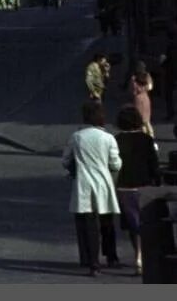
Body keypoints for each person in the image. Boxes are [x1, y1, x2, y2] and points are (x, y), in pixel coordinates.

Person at [62, 100, 122, 275]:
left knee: (89, 224)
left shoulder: (76, 137)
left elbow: (66, 160)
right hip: (103, 184)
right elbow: (116, 164)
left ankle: (92, 261)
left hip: (84, 184)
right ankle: (111, 256)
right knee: (106, 222)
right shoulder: (108, 138)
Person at [114, 104, 160, 276]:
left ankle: (138, 255)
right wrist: (157, 182)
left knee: (132, 225)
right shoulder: (147, 140)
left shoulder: (116, 139)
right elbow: (153, 165)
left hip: (124, 186)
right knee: (146, 222)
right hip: (144, 185)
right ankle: (146, 256)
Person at [128, 60, 155, 138]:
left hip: (138, 100)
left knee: (141, 122)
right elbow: (150, 87)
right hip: (146, 98)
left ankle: (145, 139)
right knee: (147, 121)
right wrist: (144, 89)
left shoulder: (134, 78)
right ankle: (151, 137)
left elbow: (133, 90)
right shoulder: (147, 76)